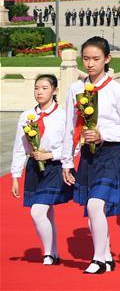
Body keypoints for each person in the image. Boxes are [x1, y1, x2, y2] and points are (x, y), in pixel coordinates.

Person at [62, 37, 120, 274]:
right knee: (94, 208)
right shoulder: (75, 89)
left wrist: (102, 133)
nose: (90, 64)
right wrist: (66, 161)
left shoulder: (117, 90)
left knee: (95, 205)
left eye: (96, 59)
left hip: (112, 154)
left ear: (107, 59)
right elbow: (69, 127)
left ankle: (97, 259)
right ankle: (105, 257)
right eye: (86, 59)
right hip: (88, 155)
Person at [10, 74, 73, 265]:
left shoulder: (63, 115)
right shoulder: (27, 116)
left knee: (37, 212)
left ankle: (47, 253)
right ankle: (54, 252)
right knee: (47, 212)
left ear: (54, 91)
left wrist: (51, 155)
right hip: (34, 168)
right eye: (37, 88)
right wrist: (15, 175)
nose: (39, 92)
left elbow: (72, 144)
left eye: (45, 88)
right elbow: (20, 147)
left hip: (55, 167)